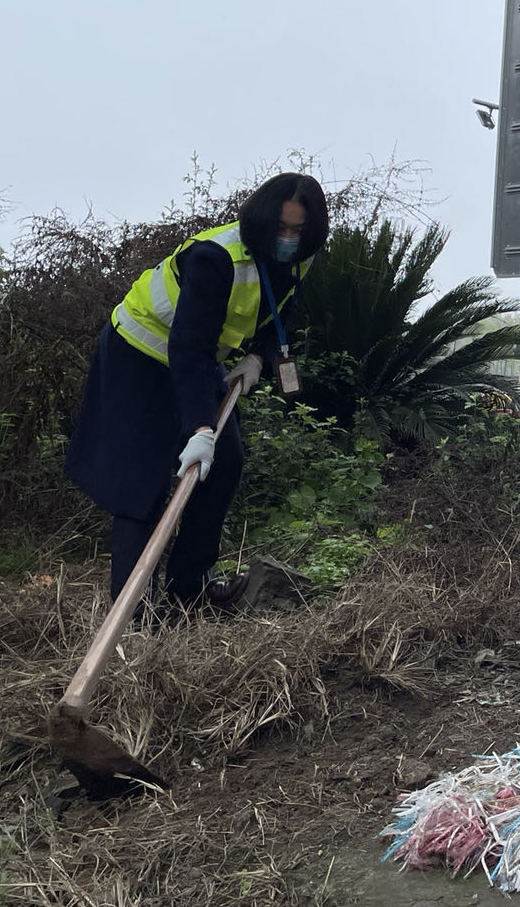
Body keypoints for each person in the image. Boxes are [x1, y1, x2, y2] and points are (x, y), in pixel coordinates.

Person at [66, 172, 329, 613]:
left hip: (201, 357)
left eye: (297, 230)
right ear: (261, 221)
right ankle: (135, 613)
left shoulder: (301, 257)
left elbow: (281, 308)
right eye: (280, 228)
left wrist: (260, 358)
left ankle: (189, 587)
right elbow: (187, 345)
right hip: (141, 353)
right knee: (142, 481)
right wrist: (200, 428)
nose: (287, 238)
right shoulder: (215, 257)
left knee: (224, 462)